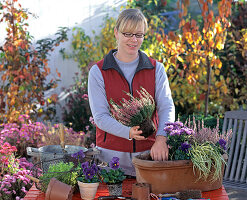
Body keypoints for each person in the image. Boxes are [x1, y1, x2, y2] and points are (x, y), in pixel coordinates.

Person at [88, 8, 175, 176]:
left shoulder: (156, 69)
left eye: (139, 35)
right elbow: (100, 117)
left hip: (148, 155)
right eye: (128, 34)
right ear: (116, 33)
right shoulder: (98, 72)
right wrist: (127, 132)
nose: (133, 40)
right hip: (110, 157)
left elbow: (166, 107)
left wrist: (162, 138)